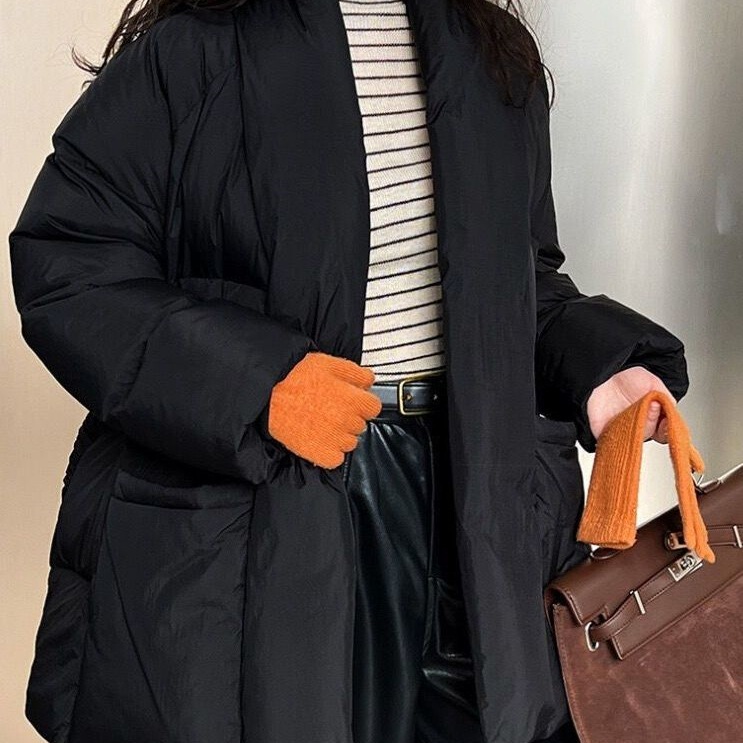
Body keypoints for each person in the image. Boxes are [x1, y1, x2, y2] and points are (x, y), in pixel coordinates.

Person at [8, 1, 687, 742]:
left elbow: (520, 281)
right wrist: (257, 385)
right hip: (267, 505)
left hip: (474, 507)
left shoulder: (491, 53)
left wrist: (600, 368)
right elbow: (69, 262)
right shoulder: (194, 49)